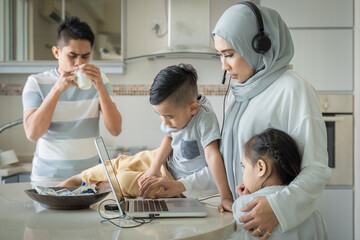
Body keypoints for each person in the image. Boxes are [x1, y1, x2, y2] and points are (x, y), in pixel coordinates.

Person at [211, 2, 332, 238]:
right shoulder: (239, 95)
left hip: (282, 228)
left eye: (229, 54)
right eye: (220, 56)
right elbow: (231, 160)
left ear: (258, 46)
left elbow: (315, 169)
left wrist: (278, 208)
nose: (224, 66)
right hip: (249, 221)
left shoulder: (294, 89)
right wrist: (181, 186)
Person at [59, 64, 233, 212]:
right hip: (164, 160)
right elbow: (169, 137)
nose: (164, 122)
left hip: (176, 181)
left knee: (124, 180)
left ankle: (96, 187)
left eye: (169, 117)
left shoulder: (204, 117)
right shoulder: (180, 111)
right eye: (160, 115)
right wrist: (154, 167)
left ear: (193, 108)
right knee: (120, 162)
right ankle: (79, 178)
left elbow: (213, 156)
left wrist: (225, 197)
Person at [22, 16, 122, 182]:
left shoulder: (100, 80)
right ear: (56, 52)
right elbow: (33, 134)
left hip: (88, 177)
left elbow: (115, 129)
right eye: (72, 55)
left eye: (85, 56)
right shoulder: (36, 83)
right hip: (48, 178)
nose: (79, 63)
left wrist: (99, 87)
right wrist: (57, 89)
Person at [229, 128, 328, 239]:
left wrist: (246, 199)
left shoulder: (244, 207)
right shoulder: (312, 214)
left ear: (261, 168)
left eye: (244, 166)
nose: (243, 175)